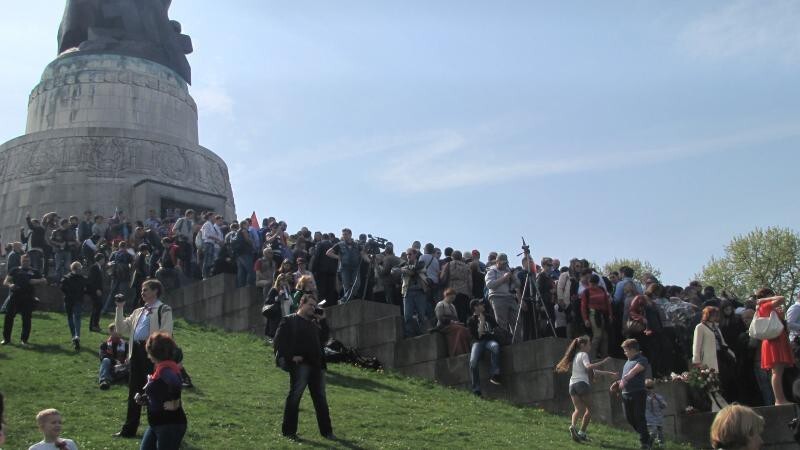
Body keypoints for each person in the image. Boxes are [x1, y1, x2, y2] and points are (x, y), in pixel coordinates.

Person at [113, 279, 173, 438]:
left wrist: (156, 354)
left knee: (154, 393)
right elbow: (120, 329)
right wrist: (119, 308)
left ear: (155, 291)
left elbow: (166, 333)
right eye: (142, 290)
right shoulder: (138, 311)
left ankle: (159, 430)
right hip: (136, 354)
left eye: (145, 289)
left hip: (152, 355)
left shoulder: (164, 309)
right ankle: (129, 429)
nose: (142, 293)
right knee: (134, 392)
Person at [273, 294, 335, 440]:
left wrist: (323, 321)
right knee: (295, 397)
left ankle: (327, 432)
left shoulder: (315, 322)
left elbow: (325, 340)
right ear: (302, 303)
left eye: (315, 306)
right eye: (310, 305)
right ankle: (289, 431)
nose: (313, 308)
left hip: (317, 365)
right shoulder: (289, 320)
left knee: (321, 399)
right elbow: (278, 342)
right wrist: (290, 357)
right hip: (301, 365)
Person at [555, 335, 616, 442]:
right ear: (583, 345)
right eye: (589, 344)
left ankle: (573, 427)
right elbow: (588, 367)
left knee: (578, 409)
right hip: (582, 384)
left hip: (572, 385)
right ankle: (582, 433)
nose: (590, 346)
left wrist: (609, 373)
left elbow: (593, 371)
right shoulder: (583, 354)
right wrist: (603, 362)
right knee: (590, 409)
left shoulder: (575, 356)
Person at [137, 332, 187, 450]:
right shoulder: (161, 368)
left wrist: (175, 401)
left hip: (169, 424)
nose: (148, 355)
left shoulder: (166, 369)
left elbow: (176, 383)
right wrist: (146, 400)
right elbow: (161, 393)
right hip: (157, 423)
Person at [755, 288, 794, 405]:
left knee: (779, 371)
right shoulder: (765, 305)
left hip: (778, 340)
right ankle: (779, 399)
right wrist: (766, 299)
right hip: (774, 342)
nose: (774, 295)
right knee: (776, 372)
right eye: (771, 294)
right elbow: (782, 299)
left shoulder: (766, 306)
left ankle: (780, 398)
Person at [610, 339, 651, 450]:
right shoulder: (627, 363)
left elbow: (633, 372)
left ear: (633, 349)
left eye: (626, 350)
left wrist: (623, 380)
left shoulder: (642, 359)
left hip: (638, 393)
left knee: (639, 417)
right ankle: (647, 437)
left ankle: (645, 443)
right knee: (629, 418)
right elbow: (625, 378)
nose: (624, 353)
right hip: (625, 394)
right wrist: (617, 384)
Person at [2, 254, 46, 346]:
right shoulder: (15, 270)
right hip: (15, 296)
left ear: (30, 261)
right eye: (24, 261)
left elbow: (44, 281)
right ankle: (6, 339)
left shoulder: (34, 271)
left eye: (27, 261)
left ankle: (24, 340)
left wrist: (35, 281)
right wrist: (10, 285)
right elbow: (6, 281)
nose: (26, 262)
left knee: (26, 318)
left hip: (28, 297)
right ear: (21, 261)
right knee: (8, 317)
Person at [466, 299, 502, 395]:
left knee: (495, 347)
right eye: (480, 304)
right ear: (475, 307)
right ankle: (476, 389)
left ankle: (495, 374)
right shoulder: (471, 321)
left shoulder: (489, 317)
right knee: (473, 362)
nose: (483, 306)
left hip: (490, 341)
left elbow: (496, 329)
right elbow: (478, 336)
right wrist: (481, 322)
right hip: (478, 342)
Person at [485, 253, 522, 339]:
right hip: (497, 297)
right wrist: (504, 278)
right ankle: (505, 342)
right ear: (497, 261)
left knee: (517, 321)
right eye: (502, 263)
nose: (504, 265)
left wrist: (513, 277)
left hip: (510, 297)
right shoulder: (491, 271)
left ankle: (517, 342)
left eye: (505, 263)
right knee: (502, 322)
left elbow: (518, 284)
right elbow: (490, 285)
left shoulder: (508, 270)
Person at [581, 274, 613, 358]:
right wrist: (585, 319)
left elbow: (607, 303)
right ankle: (592, 356)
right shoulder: (586, 292)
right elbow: (583, 306)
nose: (592, 285)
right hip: (593, 314)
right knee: (597, 336)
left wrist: (610, 315)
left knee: (605, 337)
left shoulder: (602, 290)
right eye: (591, 283)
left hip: (604, 315)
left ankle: (604, 356)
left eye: (594, 284)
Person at [326, 228, 362, 302]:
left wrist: (369, 259)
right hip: (344, 268)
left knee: (356, 284)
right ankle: (347, 303)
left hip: (355, 268)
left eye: (346, 234)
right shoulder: (340, 244)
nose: (344, 236)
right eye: (343, 234)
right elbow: (328, 253)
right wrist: (338, 257)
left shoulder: (357, 245)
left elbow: (363, 254)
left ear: (350, 234)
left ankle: (344, 299)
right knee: (346, 286)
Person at [400, 248, 428, 337]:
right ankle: (409, 334)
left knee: (421, 315)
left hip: (420, 291)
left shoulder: (421, 263)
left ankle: (423, 333)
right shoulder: (403, 264)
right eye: (407, 254)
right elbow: (395, 270)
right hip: (407, 292)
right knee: (407, 316)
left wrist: (406, 270)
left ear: (415, 255)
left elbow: (417, 269)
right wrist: (405, 269)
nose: (408, 256)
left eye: (410, 254)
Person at [434, 288, 471, 356]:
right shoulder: (440, 304)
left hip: (453, 324)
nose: (452, 300)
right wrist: (452, 322)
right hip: (443, 326)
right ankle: (457, 352)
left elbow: (456, 318)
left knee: (466, 330)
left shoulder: (452, 306)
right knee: (460, 329)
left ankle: (465, 350)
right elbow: (440, 318)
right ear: (446, 296)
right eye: (451, 298)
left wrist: (457, 322)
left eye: (453, 298)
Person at [60, 261, 87, 350]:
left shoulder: (66, 278)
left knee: (70, 318)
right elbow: (85, 288)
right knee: (77, 318)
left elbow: (62, 288)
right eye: (80, 268)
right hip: (78, 300)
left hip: (68, 300)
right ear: (77, 268)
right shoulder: (82, 278)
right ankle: (77, 336)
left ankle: (73, 336)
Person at [98, 323, 129, 390]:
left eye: (119, 330)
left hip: (122, 367)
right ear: (111, 332)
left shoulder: (125, 344)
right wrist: (115, 361)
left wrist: (127, 359)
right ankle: (104, 381)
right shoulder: (105, 344)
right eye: (116, 330)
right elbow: (102, 356)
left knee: (131, 363)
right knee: (106, 360)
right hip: (110, 367)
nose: (118, 332)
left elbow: (129, 354)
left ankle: (113, 379)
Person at [644, 379, 667, 449]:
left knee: (661, 433)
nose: (649, 389)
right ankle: (649, 444)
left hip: (659, 417)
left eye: (651, 387)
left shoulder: (658, 397)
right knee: (653, 432)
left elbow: (664, 406)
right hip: (650, 418)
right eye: (647, 387)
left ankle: (661, 446)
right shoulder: (644, 398)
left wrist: (657, 399)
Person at [87, 253, 105, 332]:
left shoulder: (99, 267)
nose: (104, 260)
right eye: (103, 259)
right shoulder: (94, 267)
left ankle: (95, 325)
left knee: (98, 307)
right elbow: (92, 280)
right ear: (100, 259)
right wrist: (96, 289)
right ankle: (94, 325)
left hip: (98, 290)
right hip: (95, 291)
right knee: (97, 307)